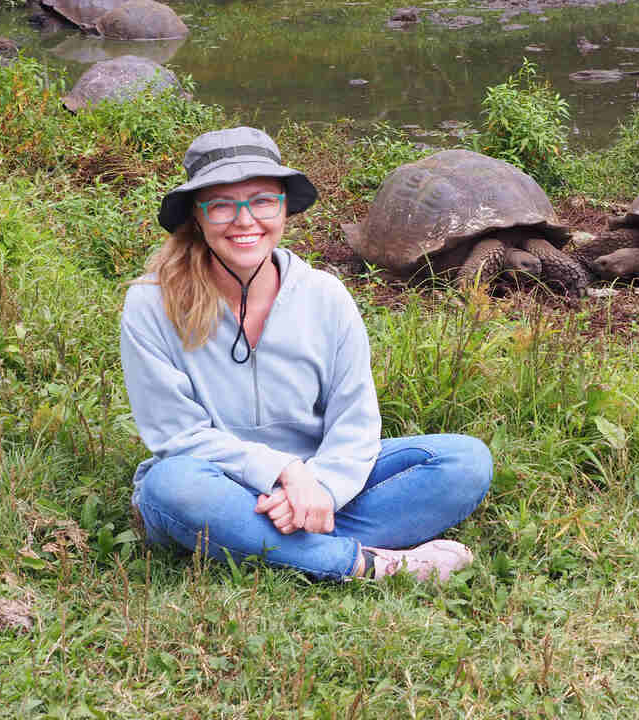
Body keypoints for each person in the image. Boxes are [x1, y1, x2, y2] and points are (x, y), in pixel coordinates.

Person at [121, 126, 492, 583]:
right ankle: (368, 564)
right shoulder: (150, 304)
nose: (244, 220)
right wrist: (283, 472)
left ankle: (262, 541)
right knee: (170, 487)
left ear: (283, 208)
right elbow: (177, 436)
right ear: (196, 217)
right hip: (213, 483)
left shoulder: (325, 297)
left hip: (320, 483)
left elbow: (355, 422)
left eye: (261, 201)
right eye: (221, 205)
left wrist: (322, 488)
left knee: (465, 462)